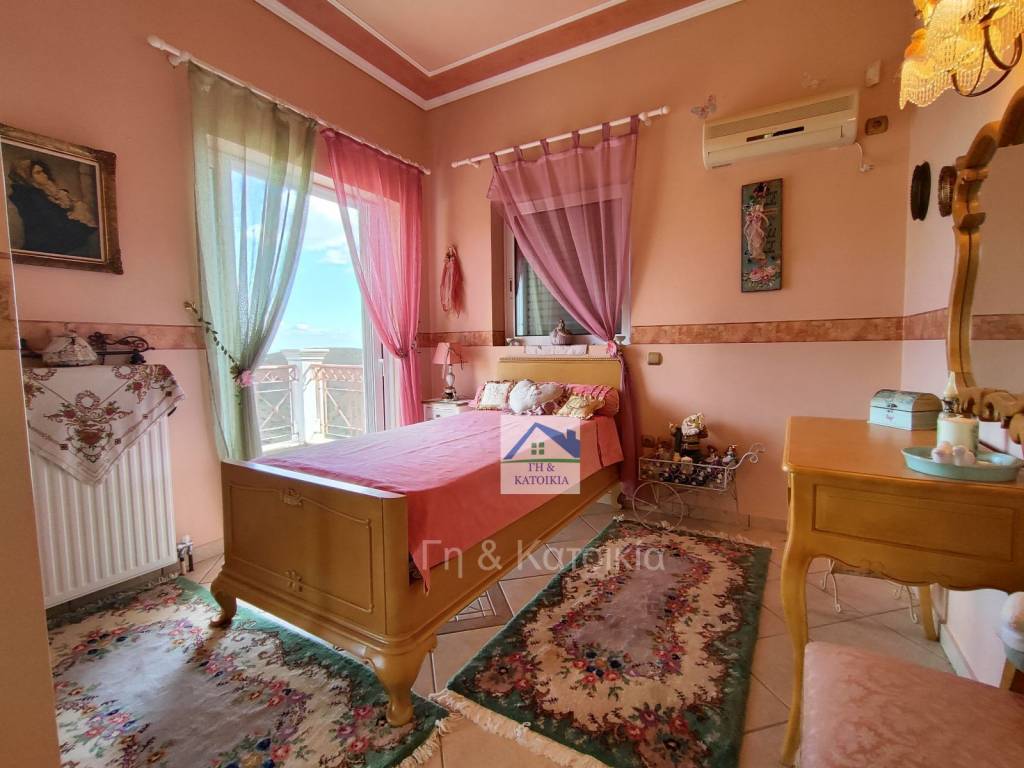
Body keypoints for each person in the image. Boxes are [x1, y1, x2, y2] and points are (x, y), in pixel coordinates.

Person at [7, 158, 99, 256]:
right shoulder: (30, 195)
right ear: (27, 176)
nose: (44, 175)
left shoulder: (40, 191)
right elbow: (53, 220)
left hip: (54, 232)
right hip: (46, 240)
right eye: (38, 173)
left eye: (43, 171)